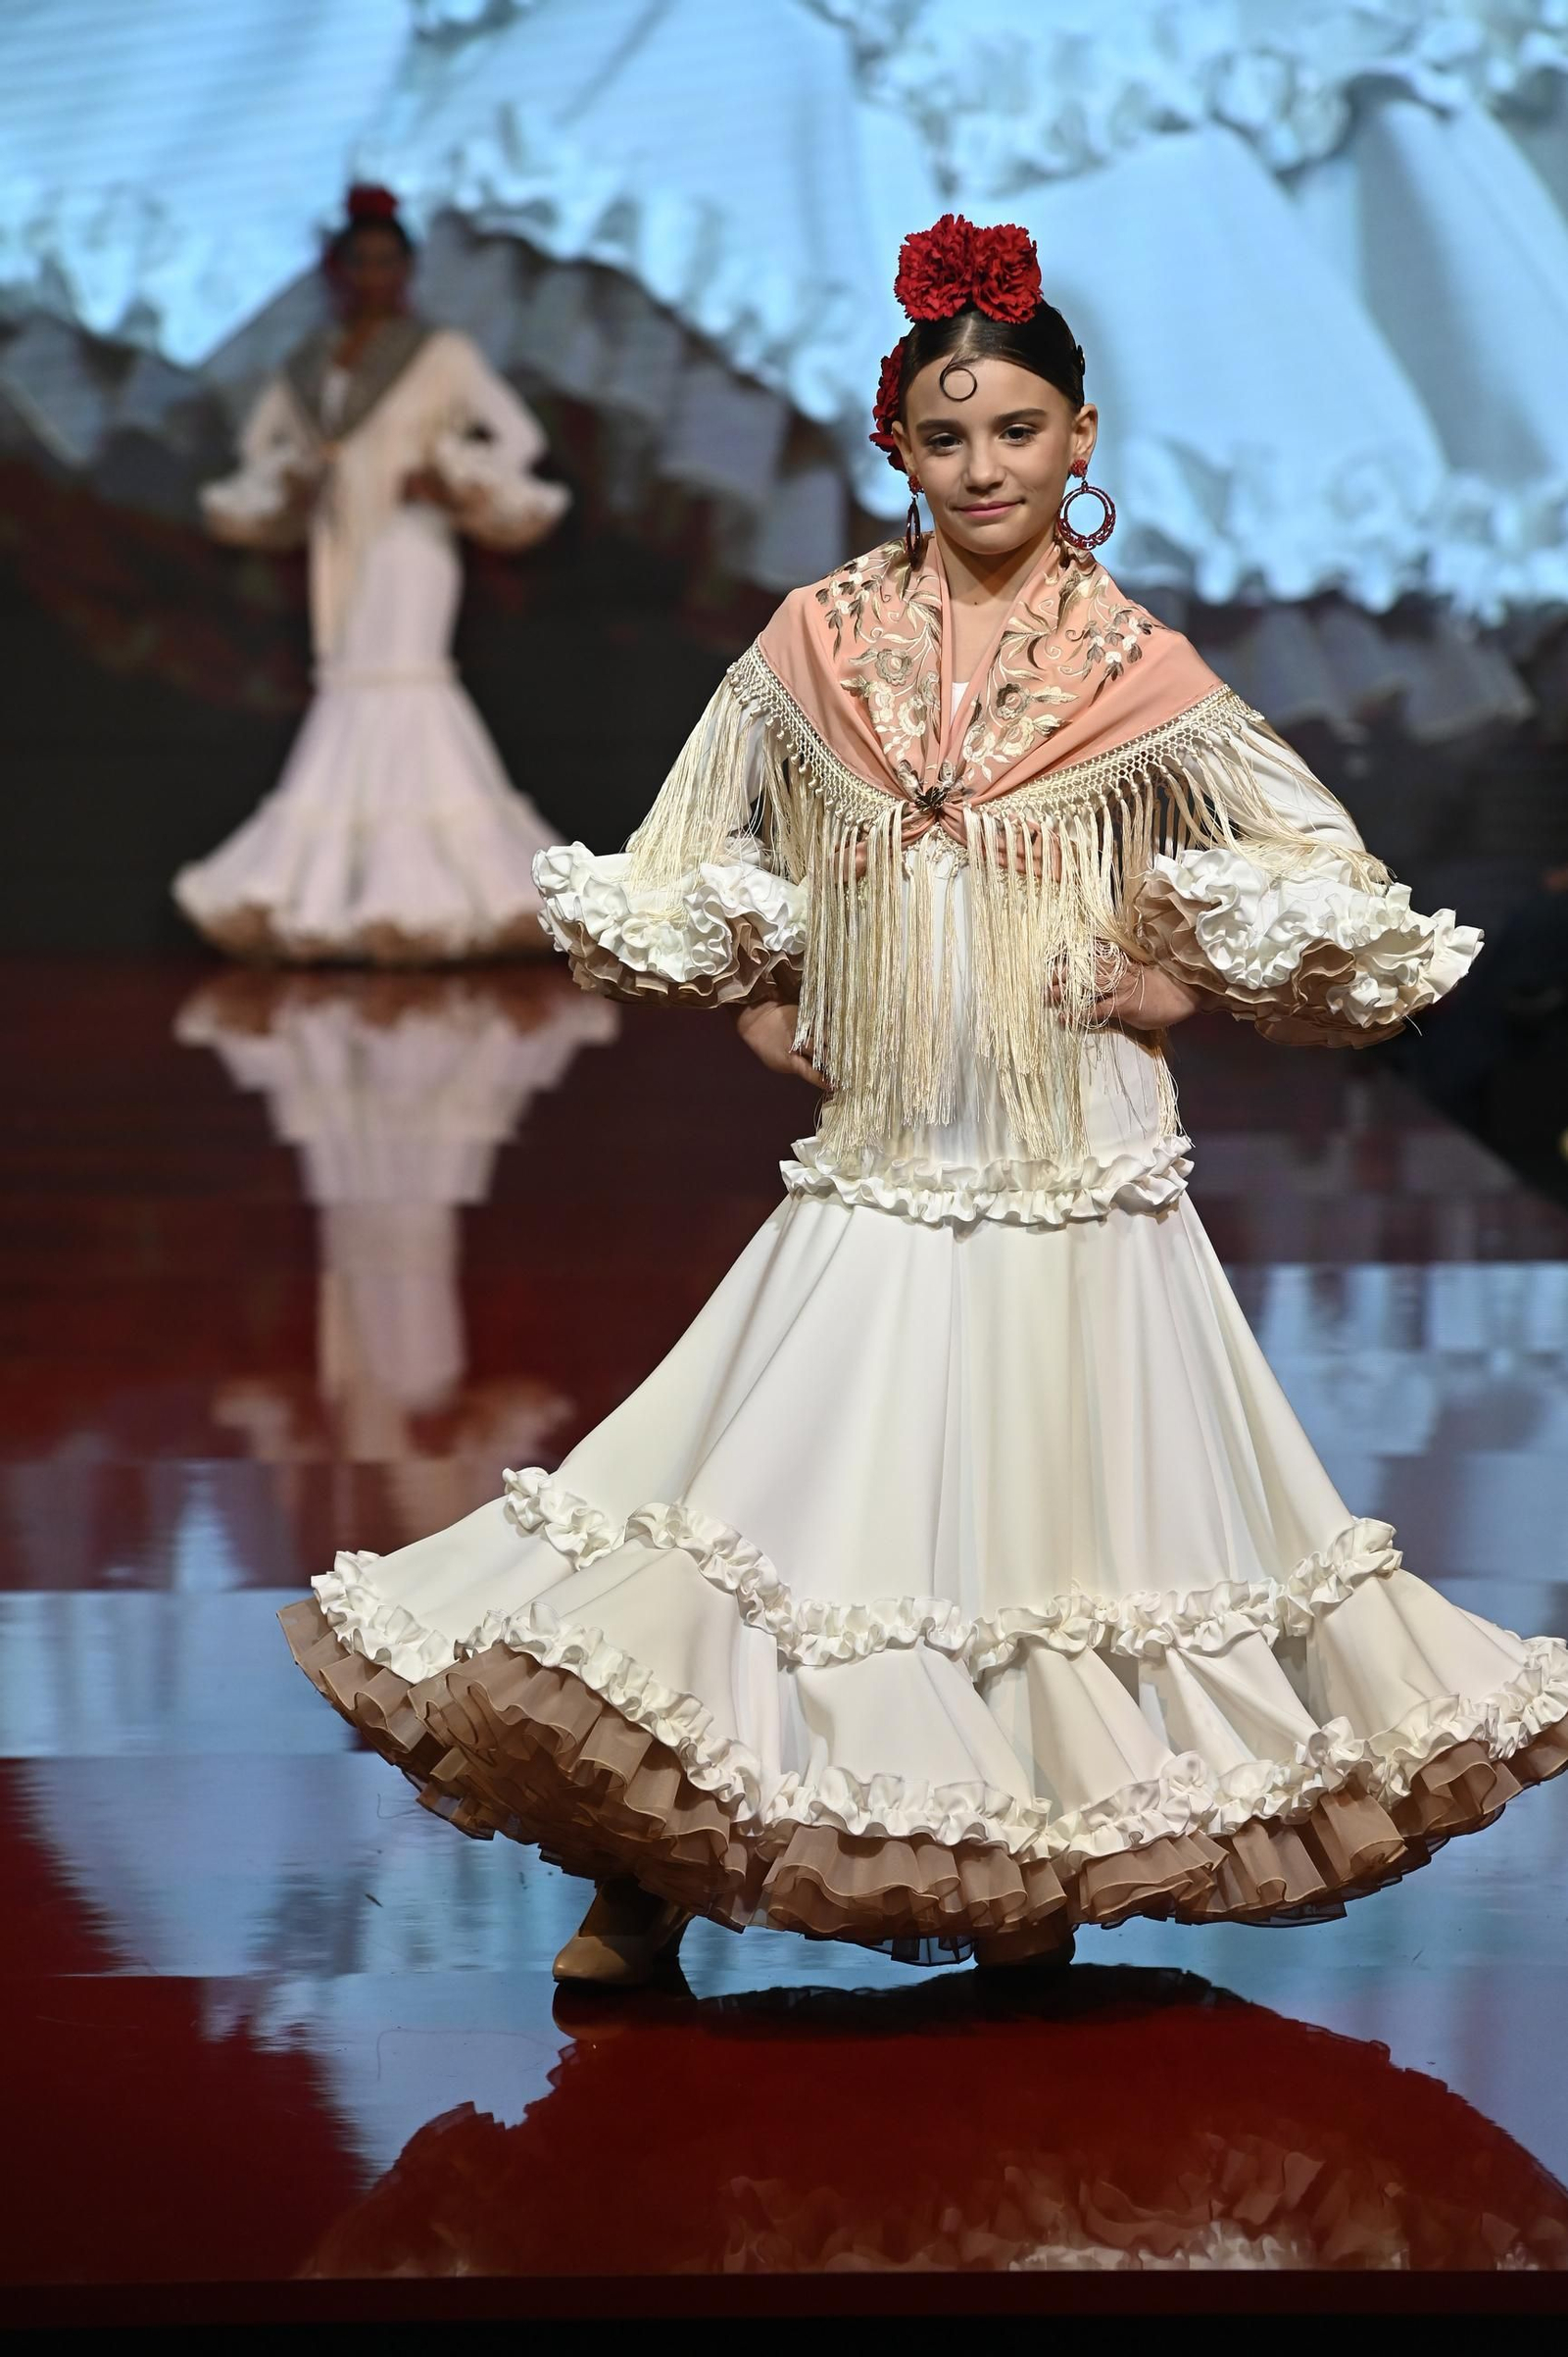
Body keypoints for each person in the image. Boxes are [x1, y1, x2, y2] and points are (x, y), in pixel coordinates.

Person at [282, 216, 1568, 1988]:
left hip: (1081, 1154)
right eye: (946, 437)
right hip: (889, 1149)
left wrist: (1182, 975)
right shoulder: (816, 639)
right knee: (767, 1497)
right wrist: (750, 980)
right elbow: (684, 846)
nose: (983, 467)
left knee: (1064, 1530)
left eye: (1018, 432)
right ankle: (638, 1876)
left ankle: (1021, 1873)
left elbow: (1318, 863)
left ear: (1080, 444)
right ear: (897, 447)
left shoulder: (1141, 670)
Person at [175, 185, 569, 963]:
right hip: (338, 542)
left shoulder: (440, 354)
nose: (373, 275)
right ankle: (349, 894)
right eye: (360, 261)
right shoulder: (308, 363)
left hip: (412, 541)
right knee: (351, 679)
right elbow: (265, 451)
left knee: (403, 678)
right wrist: (291, 482)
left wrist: (453, 479)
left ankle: (430, 893)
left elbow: (518, 436)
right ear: (338, 268)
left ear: (409, 268)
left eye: (388, 261)